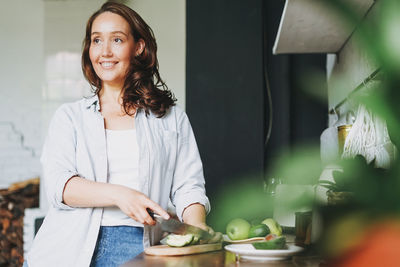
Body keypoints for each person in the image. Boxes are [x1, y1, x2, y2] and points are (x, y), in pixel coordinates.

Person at [25, 2, 210, 266]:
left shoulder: (171, 118)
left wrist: (197, 231)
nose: (105, 51)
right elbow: (59, 187)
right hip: (65, 247)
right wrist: (121, 195)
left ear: (138, 47)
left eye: (117, 39)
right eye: (97, 40)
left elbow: (188, 187)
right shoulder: (69, 117)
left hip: (137, 244)